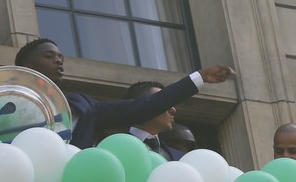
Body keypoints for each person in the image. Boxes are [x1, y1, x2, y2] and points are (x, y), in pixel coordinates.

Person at [15, 38, 235, 150]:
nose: (58, 61)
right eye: (49, 56)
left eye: (60, 57)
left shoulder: (85, 106)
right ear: (27, 66)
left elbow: (147, 106)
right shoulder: (0, 104)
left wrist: (200, 77)